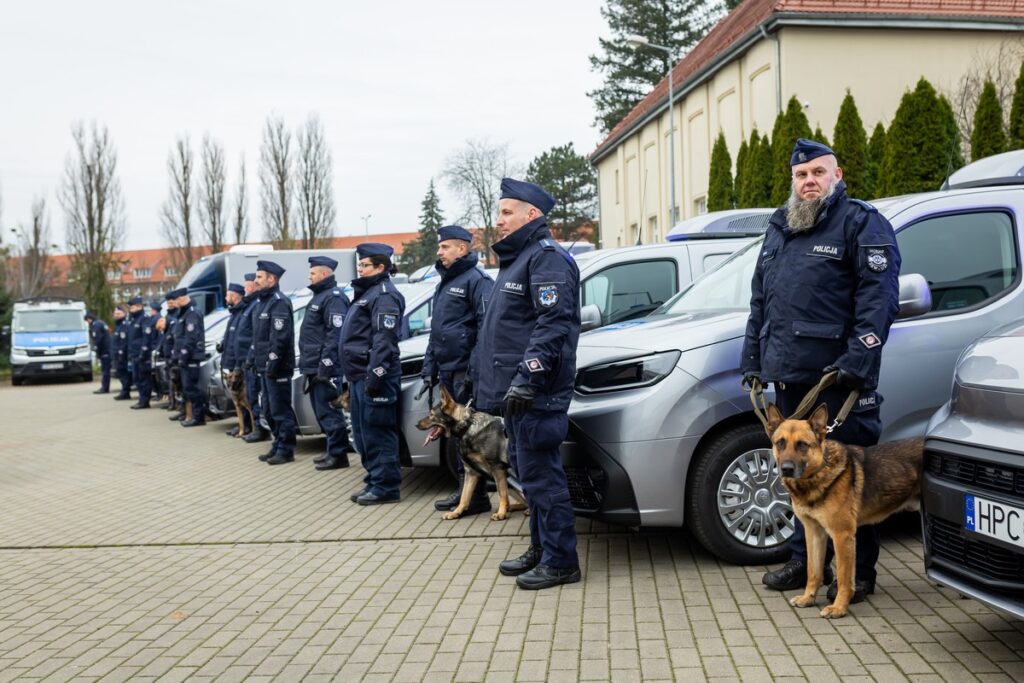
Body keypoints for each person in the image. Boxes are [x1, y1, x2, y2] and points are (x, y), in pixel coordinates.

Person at [741, 138, 901, 603]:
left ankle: (859, 575)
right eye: (801, 174)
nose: (808, 181)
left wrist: (857, 360)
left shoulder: (861, 222)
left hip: (839, 381)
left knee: (853, 484)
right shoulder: (780, 227)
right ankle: (804, 563)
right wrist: (752, 361)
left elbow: (879, 300)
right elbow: (760, 303)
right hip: (790, 378)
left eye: (817, 172)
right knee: (799, 477)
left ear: (837, 175)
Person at [473, 178, 582, 590]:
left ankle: (561, 561)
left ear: (531, 214)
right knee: (528, 477)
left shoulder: (546, 259)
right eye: (499, 212)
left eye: (507, 212)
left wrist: (528, 378)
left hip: (537, 392)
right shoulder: (518, 259)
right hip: (517, 396)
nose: (499, 221)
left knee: (543, 479)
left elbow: (552, 326)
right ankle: (541, 549)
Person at [418, 224, 493, 515]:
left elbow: (486, 331)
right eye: (439, 247)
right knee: (456, 436)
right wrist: (429, 368)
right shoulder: (444, 283)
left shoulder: (477, 281)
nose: (439, 252)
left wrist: (473, 373)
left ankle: (475, 498)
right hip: (447, 371)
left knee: (468, 436)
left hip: (464, 372)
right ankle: (465, 493)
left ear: (462, 249)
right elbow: (438, 332)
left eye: (444, 247)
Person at [340, 243, 406, 505]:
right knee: (363, 432)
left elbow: (384, 340)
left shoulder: (385, 295)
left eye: (365, 264)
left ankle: (386, 487)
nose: (360, 268)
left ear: (380, 267)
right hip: (359, 375)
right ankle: (374, 480)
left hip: (376, 376)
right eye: (359, 263)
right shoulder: (368, 293)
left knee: (379, 432)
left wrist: (376, 375)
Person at [299, 256, 353, 471]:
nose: (309, 277)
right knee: (322, 412)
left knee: (330, 412)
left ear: (324, 274)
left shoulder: (334, 298)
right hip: (314, 365)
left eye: (312, 273)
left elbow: (335, 335)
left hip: (325, 368)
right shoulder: (320, 297)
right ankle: (332, 450)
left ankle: (339, 455)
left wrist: (326, 365)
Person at [251, 260, 298, 464]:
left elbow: (279, 338)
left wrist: (272, 364)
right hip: (264, 368)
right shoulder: (262, 302)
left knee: (280, 410)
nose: (256, 280)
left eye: (259, 277)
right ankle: (277, 444)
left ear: (272, 279)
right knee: (269, 410)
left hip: (277, 368)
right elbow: (259, 339)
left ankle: (286, 450)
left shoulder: (279, 302)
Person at [237, 273, 269, 443]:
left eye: (246, 285)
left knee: (255, 395)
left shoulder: (256, 305)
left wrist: (251, 357)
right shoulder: (250, 305)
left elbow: (256, 336)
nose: (244, 289)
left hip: (254, 360)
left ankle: (260, 429)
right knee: (251, 395)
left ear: (252, 286)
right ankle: (255, 427)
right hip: (248, 360)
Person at [172, 288, 207, 427]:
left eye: (176, 301)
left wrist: (184, 355)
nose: (174, 304)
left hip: (191, 357)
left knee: (191, 387)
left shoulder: (192, 313)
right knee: (187, 388)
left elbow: (191, 338)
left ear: (181, 299)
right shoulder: (184, 313)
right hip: (186, 357)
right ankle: (193, 415)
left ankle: (199, 417)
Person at [220, 283, 249, 436]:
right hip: (232, 362)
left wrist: (238, 364)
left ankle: (249, 427)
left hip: (239, 363)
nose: (225, 298)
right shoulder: (234, 314)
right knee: (238, 400)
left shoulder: (242, 313)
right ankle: (242, 426)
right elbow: (231, 339)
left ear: (234, 296)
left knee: (245, 399)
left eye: (227, 295)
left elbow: (241, 341)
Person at [126, 296, 156, 409]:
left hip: (142, 355)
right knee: (137, 378)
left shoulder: (144, 319)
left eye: (132, 307)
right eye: (130, 308)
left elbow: (146, 337)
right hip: (134, 354)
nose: (131, 310)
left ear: (139, 307)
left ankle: (145, 401)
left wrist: (143, 353)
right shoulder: (134, 320)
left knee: (144, 378)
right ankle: (141, 399)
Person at [159, 295, 181, 412]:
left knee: (175, 382)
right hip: (168, 354)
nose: (170, 304)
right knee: (169, 380)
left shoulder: (177, 315)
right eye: (168, 302)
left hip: (174, 355)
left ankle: (176, 404)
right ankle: (171, 402)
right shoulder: (167, 315)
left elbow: (175, 338)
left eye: (172, 302)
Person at [84, 311, 112, 394]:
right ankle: (105, 387)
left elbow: (98, 339)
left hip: (104, 350)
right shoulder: (101, 323)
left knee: (105, 371)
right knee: (106, 370)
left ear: (89, 319)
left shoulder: (96, 325)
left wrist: (97, 352)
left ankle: (105, 388)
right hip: (108, 349)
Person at [111, 306, 132, 400]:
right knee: (120, 373)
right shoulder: (118, 325)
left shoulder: (124, 325)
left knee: (124, 374)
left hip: (122, 355)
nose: (116, 315)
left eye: (119, 314)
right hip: (117, 354)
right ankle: (124, 390)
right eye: (115, 314)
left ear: (124, 314)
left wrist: (121, 354)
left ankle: (125, 392)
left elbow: (124, 342)